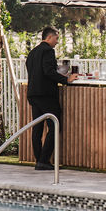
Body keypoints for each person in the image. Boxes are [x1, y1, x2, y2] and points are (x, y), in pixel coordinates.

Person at [25, 26, 78, 170]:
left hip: (33, 94)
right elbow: (48, 71)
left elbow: (35, 71)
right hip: (46, 95)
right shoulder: (48, 51)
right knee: (55, 125)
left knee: (37, 128)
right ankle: (43, 160)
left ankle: (39, 160)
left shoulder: (33, 52)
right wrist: (66, 80)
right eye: (56, 38)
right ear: (49, 37)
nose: (57, 42)